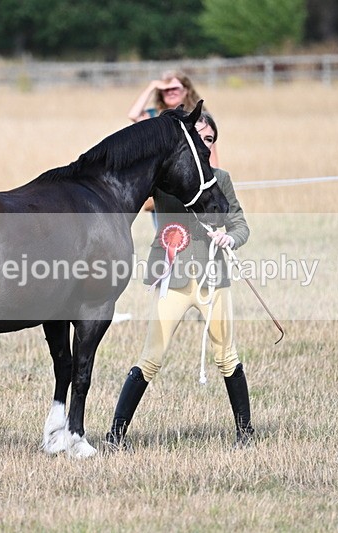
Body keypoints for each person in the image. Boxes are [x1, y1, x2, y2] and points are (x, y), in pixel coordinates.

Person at [105, 111, 254, 449]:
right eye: (200, 137)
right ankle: (115, 435)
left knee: (226, 356)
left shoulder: (221, 180)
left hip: (212, 281)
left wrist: (230, 238)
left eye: (210, 139)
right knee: (151, 358)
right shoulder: (163, 181)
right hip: (171, 280)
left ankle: (245, 434)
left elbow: (240, 224)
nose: (205, 143)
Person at [127, 70, 219, 167]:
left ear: (185, 91)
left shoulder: (198, 119)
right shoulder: (154, 116)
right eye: (166, 89)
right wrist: (152, 86)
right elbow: (133, 115)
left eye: (175, 88)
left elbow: (211, 156)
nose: (170, 92)